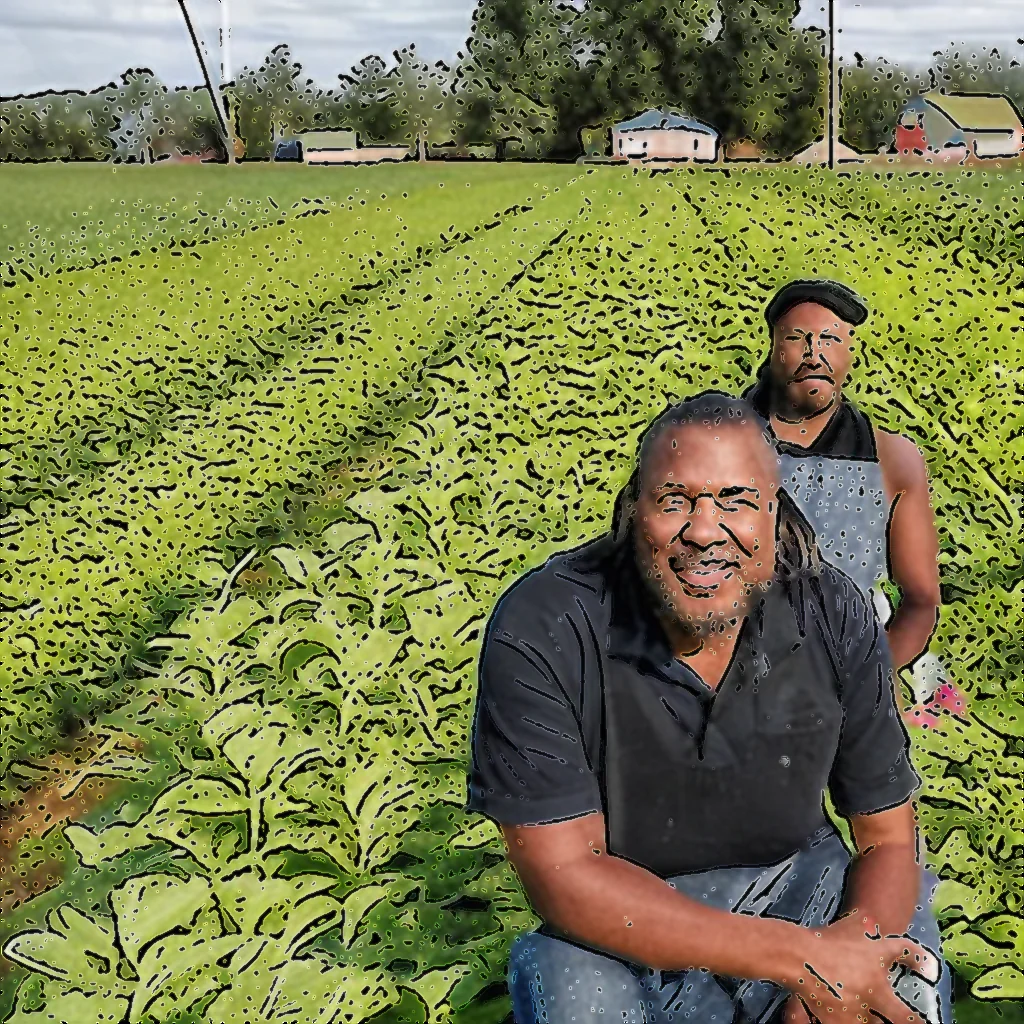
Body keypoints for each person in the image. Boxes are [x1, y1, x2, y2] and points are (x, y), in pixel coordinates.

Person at [466, 392, 951, 1024]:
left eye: (737, 500)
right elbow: (564, 873)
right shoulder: (548, 622)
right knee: (573, 990)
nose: (703, 530)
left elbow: (888, 836)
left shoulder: (830, 611)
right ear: (633, 510)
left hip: (799, 888)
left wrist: (848, 967)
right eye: (675, 501)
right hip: (624, 928)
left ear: (773, 512)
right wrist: (801, 960)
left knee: (902, 962)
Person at [742, 280, 961, 723]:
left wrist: (868, 679)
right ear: (773, 347)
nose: (813, 352)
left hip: (846, 667)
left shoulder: (893, 461)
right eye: (797, 338)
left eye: (830, 338)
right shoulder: (713, 441)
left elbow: (920, 600)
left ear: (849, 353)